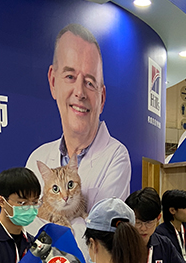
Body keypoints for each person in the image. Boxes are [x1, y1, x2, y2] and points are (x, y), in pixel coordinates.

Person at [26, 23, 131, 213]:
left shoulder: (116, 157)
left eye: (90, 83)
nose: (80, 93)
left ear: (102, 98)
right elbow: (27, 224)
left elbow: (102, 228)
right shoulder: (37, 158)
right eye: (70, 76)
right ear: (53, 82)